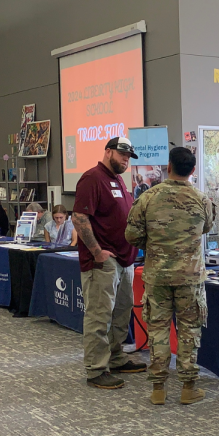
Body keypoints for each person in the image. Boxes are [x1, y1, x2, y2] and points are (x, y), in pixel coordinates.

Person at [126, 146, 214, 405]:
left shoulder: (148, 197)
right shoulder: (202, 199)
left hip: (158, 276)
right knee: (189, 331)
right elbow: (207, 227)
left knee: (158, 330)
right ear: (193, 170)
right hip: (190, 277)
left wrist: (154, 242)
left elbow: (131, 235)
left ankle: (158, 390)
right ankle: (188, 388)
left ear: (168, 166)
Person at [72, 137, 146, 389]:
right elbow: (79, 217)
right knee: (99, 316)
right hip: (103, 262)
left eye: (128, 156)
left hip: (125, 259)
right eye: (122, 154)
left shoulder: (118, 180)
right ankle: (95, 369)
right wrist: (96, 252)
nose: (126, 159)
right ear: (107, 152)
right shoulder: (92, 178)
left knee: (121, 313)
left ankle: (115, 356)